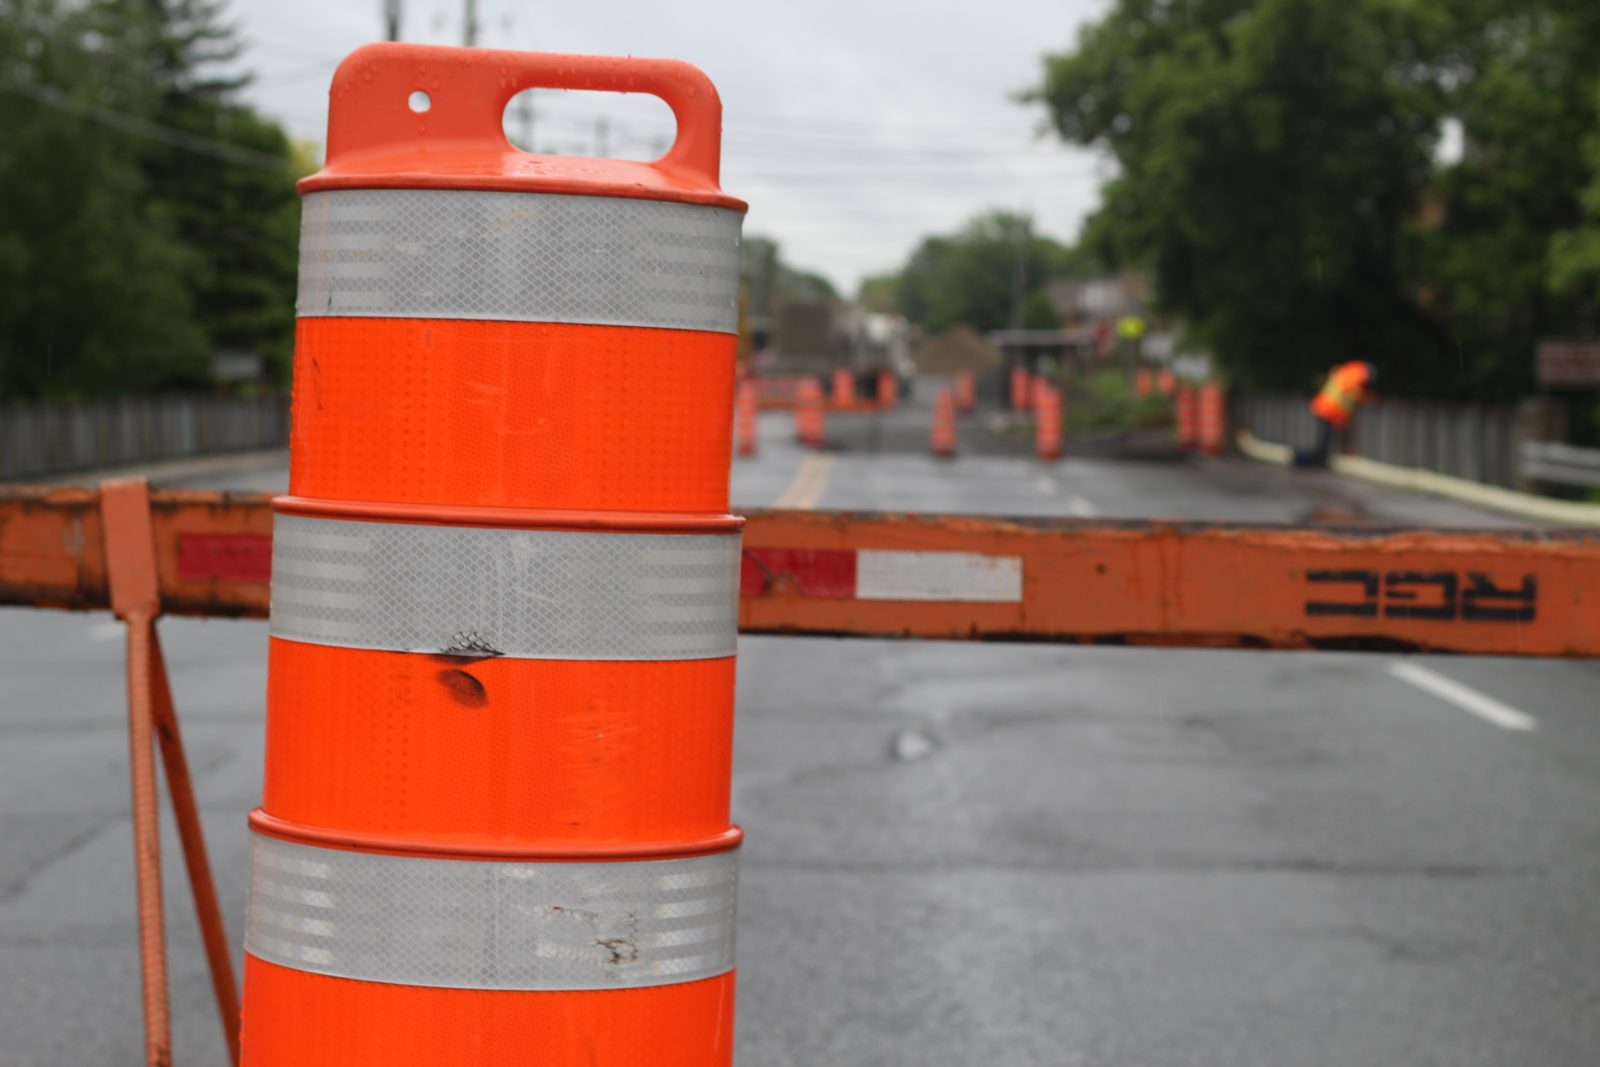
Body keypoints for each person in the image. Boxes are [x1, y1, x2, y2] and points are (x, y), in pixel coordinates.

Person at [1298, 361, 1376, 467]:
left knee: (1326, 440)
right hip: (1328, 410)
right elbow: (1353, 394)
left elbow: (1351, 393)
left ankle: (1317, 461)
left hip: (1326, 409)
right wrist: (1369, 399)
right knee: (1325, 440)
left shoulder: (1348, 372)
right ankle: (1312, 461)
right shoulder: (1355, 376)